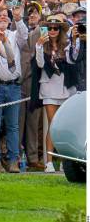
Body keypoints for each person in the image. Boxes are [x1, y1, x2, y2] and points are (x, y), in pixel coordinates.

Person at [34, 15, 79, 173]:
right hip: (49, 88)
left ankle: (70, 161)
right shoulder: (42, 45)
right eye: (50, 28)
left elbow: (73, 61)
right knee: (53, 125)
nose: (52, 31)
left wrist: (74, 42)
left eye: (56, 28)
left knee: (67, 125)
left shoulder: (67, 45)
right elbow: (40, 64)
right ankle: (49, 162)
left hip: (66, 88)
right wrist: (39, 46)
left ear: (60, 30)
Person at [0, 6, 27, 173]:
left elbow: (24, 35)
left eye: (6, 16)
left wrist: (18, 18)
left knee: (13, 126)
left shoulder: (14, 35)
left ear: (10, 21)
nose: (3, 17)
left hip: (13, 86)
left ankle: (13, 161)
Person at [17, 1, 44, 170]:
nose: (32, 15)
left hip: (35, 81)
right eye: (29, 12)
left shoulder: (42, 31)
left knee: (34, 122)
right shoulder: (17, 30)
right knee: (17, 122)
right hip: (19, 81)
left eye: (35, 12)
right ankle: (16, 156)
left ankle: (33, 157)